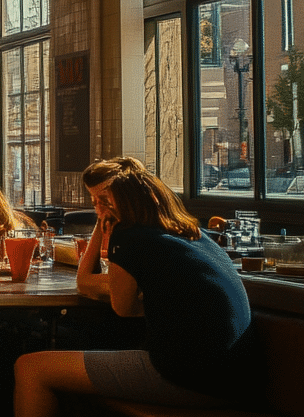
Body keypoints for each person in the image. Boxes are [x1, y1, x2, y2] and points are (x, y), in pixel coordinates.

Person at [13, 156, 261, 416]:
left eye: (102, 202)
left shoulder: (130, 236)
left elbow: (120, 306)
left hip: (192, 381)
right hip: (236, 379)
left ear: (121, 203)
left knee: (31, 367)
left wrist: (102, 224)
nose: (97, 207)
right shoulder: (194, 234)